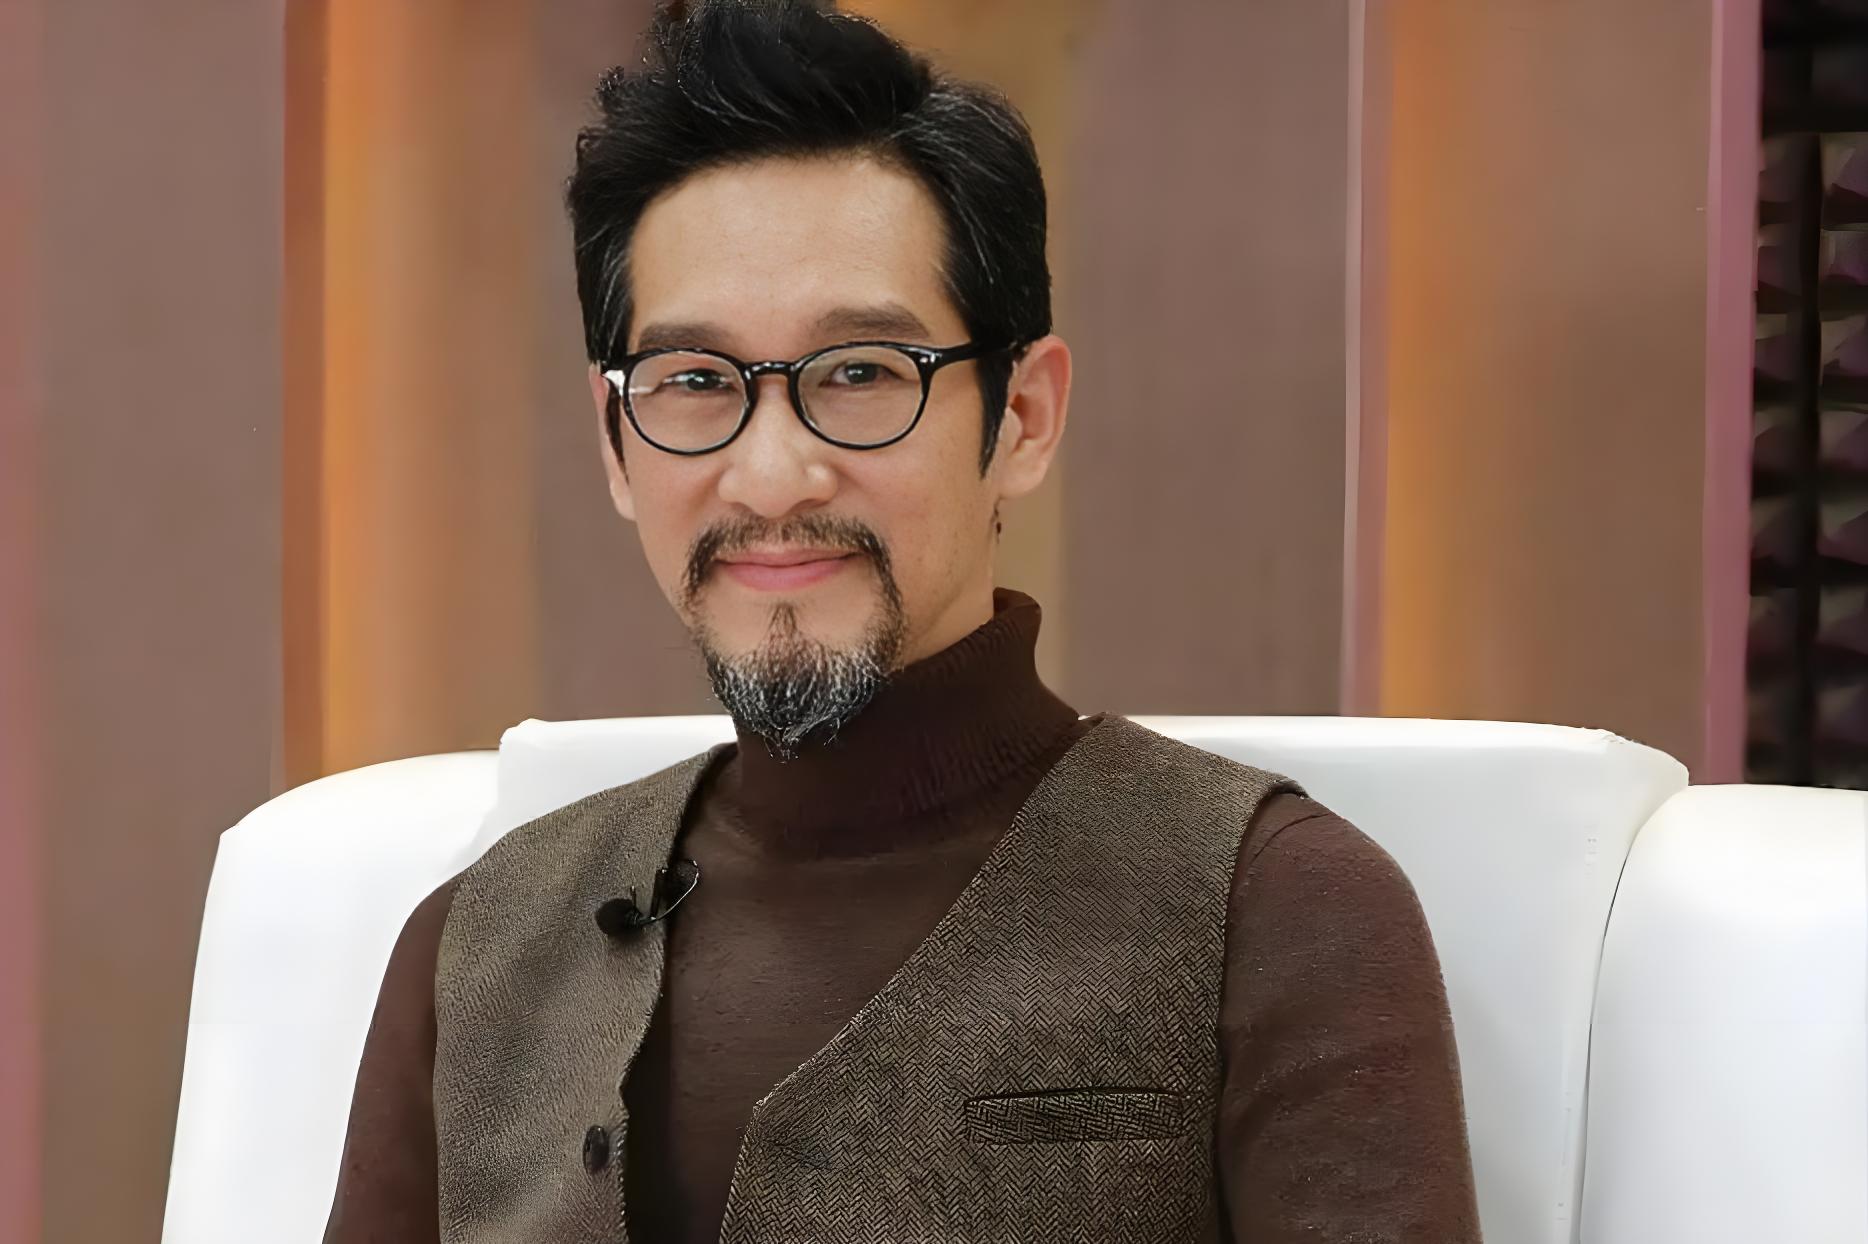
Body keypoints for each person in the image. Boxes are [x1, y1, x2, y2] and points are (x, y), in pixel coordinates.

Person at [323, 2, 1481, 1240]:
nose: (772, 477)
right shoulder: (476, 945)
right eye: (695, 382)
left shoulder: (1275, 907)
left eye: (861, 373)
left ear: (1021, 417)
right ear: (615, 443)